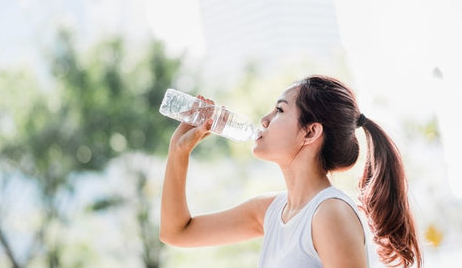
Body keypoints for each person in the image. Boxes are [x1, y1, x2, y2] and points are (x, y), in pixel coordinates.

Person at [160, 75, 422, 267]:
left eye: (280, 110)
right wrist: (178, 151)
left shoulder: (330, 214)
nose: (264, 119)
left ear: (310, 132)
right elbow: (177, 232)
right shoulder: (271, 211)